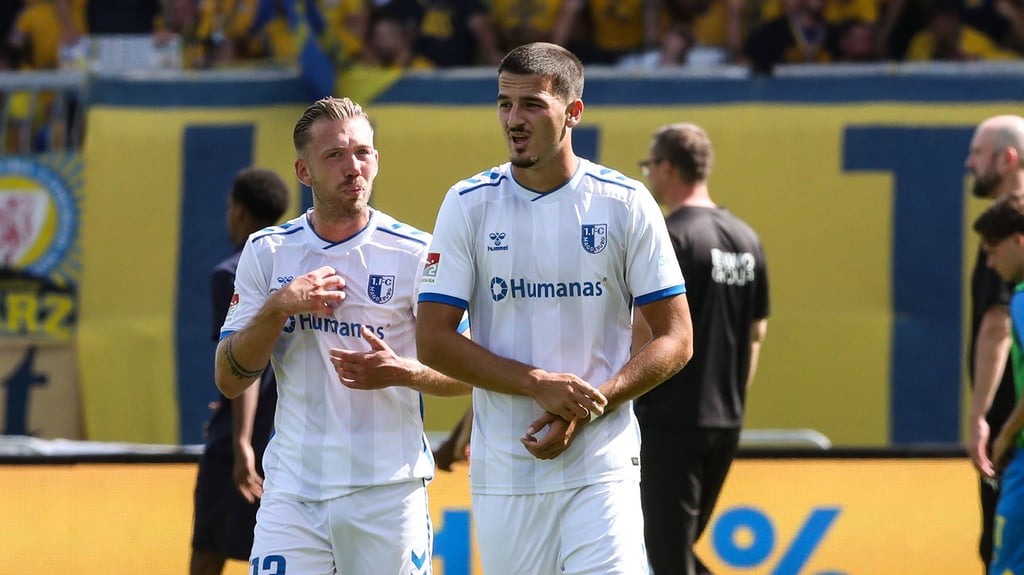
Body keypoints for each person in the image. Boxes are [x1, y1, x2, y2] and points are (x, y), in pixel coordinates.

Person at [415, 42, 695, 575]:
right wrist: (537, 382)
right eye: (504, 105)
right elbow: (432, 340)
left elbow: (676, 338)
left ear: (573, 112)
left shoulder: (625, 202)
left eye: (532, 105)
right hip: (505, 470)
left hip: (601, 466)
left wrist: (593, 402)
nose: (513, 120)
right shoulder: (467, 203)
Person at [214, 96, 470, 574]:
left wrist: (403, 371)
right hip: (292, 493)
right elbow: (229, 379)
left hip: (386, 492)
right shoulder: (268, 252)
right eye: (334, 155)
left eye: (363, 153)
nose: (353, 167)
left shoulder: (417, 253)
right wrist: (277, 308)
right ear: (304, 171)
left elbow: (471, 375)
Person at [633, 123, 769, 575]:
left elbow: (642, 330)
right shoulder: (747, 239)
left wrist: (615, 394)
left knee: (666, 554)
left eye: (650, 166)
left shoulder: (671, 236)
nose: (649, 175)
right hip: (725, 420)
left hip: (669, 418)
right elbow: (756, 333)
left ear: (667, 167)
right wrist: (730, 397)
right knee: (674, 549)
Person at [190, 167, 290, 575]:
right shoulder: (298, 267)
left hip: (241, 444)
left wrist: (241, 443)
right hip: (290, 437)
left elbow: (243, 365)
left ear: (242, 213)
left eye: (231, 206)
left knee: (209, 552)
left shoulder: (231, 273)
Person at [966, 114, 1024, 573]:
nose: (970, 163)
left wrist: (983, 418)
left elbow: (996, 328)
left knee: (1002, 549)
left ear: (1009, 159)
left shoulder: (1007, 240)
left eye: (978, 153)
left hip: (1012, 426)